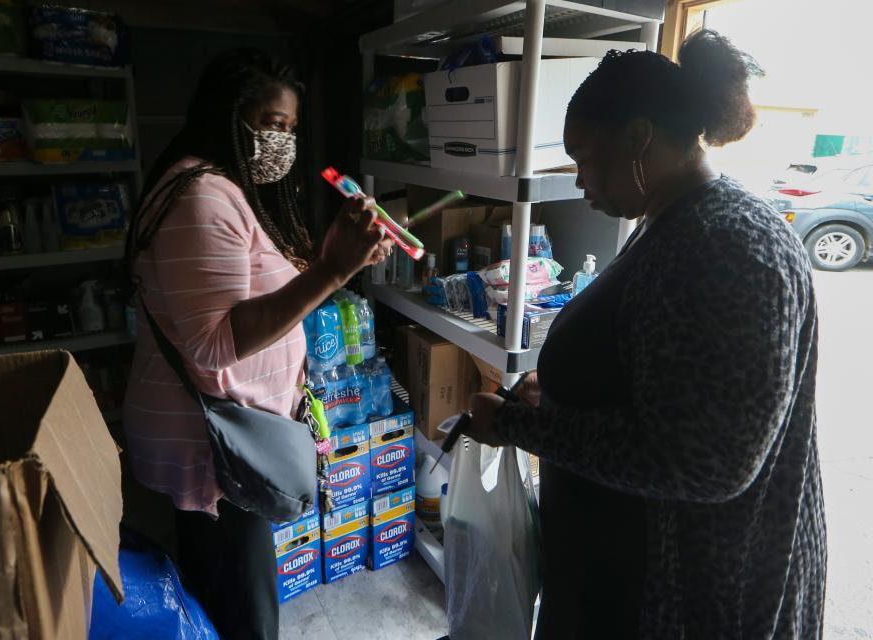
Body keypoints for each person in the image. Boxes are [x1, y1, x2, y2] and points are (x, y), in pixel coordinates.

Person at [466, 30, 826, 639]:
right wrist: (555, 394)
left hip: (689, 595)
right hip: (629, 572)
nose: (579, 180)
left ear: (638, 139)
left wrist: (519, 427)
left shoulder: (726, 246)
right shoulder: (675, 219)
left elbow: (706, 463)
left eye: (583, 156)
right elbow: (655, 381)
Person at [122, 49, 392, 639]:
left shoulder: (222, 188)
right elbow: (213, 344)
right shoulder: (201, 196)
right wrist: (330, 274)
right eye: (271, 124)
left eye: (291, 129)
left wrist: (333, 255)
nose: (283, 142)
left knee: (224, 591)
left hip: (229, 434)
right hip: (214, 449)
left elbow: (253, 284)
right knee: (244, 608)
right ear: (227, 114)